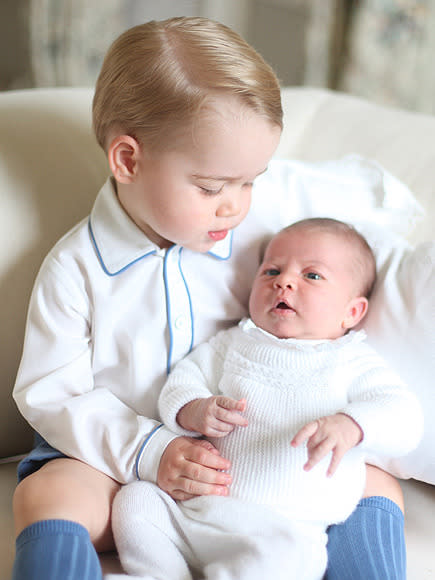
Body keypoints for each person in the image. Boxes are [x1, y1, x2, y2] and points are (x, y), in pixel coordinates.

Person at [10, 16, 410, 580]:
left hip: (251, 457)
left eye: (250, 182)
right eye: (211, 187)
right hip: (113, 458)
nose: (235, 206)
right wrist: (149, 451)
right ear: (128, 161)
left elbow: (350, 207)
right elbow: (52, 394)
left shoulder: (263, 237)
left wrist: (390, 207)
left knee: (374, 484)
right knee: (47, 495)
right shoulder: (76, 269)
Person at [110, 218, 422, 580]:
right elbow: (184, 380)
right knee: (136, 502)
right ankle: (157, 573)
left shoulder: (350, 360)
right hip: (196, 514)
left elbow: (404, 417)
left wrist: (352, 424)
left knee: (285, 558)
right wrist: (192, 409)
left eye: (313, 276)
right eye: (272, 270)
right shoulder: (234, 343)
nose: (284, 281)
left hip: (285, 529)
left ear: (351, 312)